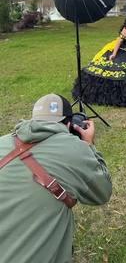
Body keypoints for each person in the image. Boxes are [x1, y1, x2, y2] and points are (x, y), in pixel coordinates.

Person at [0, 94, 112, 263]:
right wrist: (89, 145)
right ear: (69, 124)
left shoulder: (2, 142)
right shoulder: (75, 149)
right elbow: (102, 193)